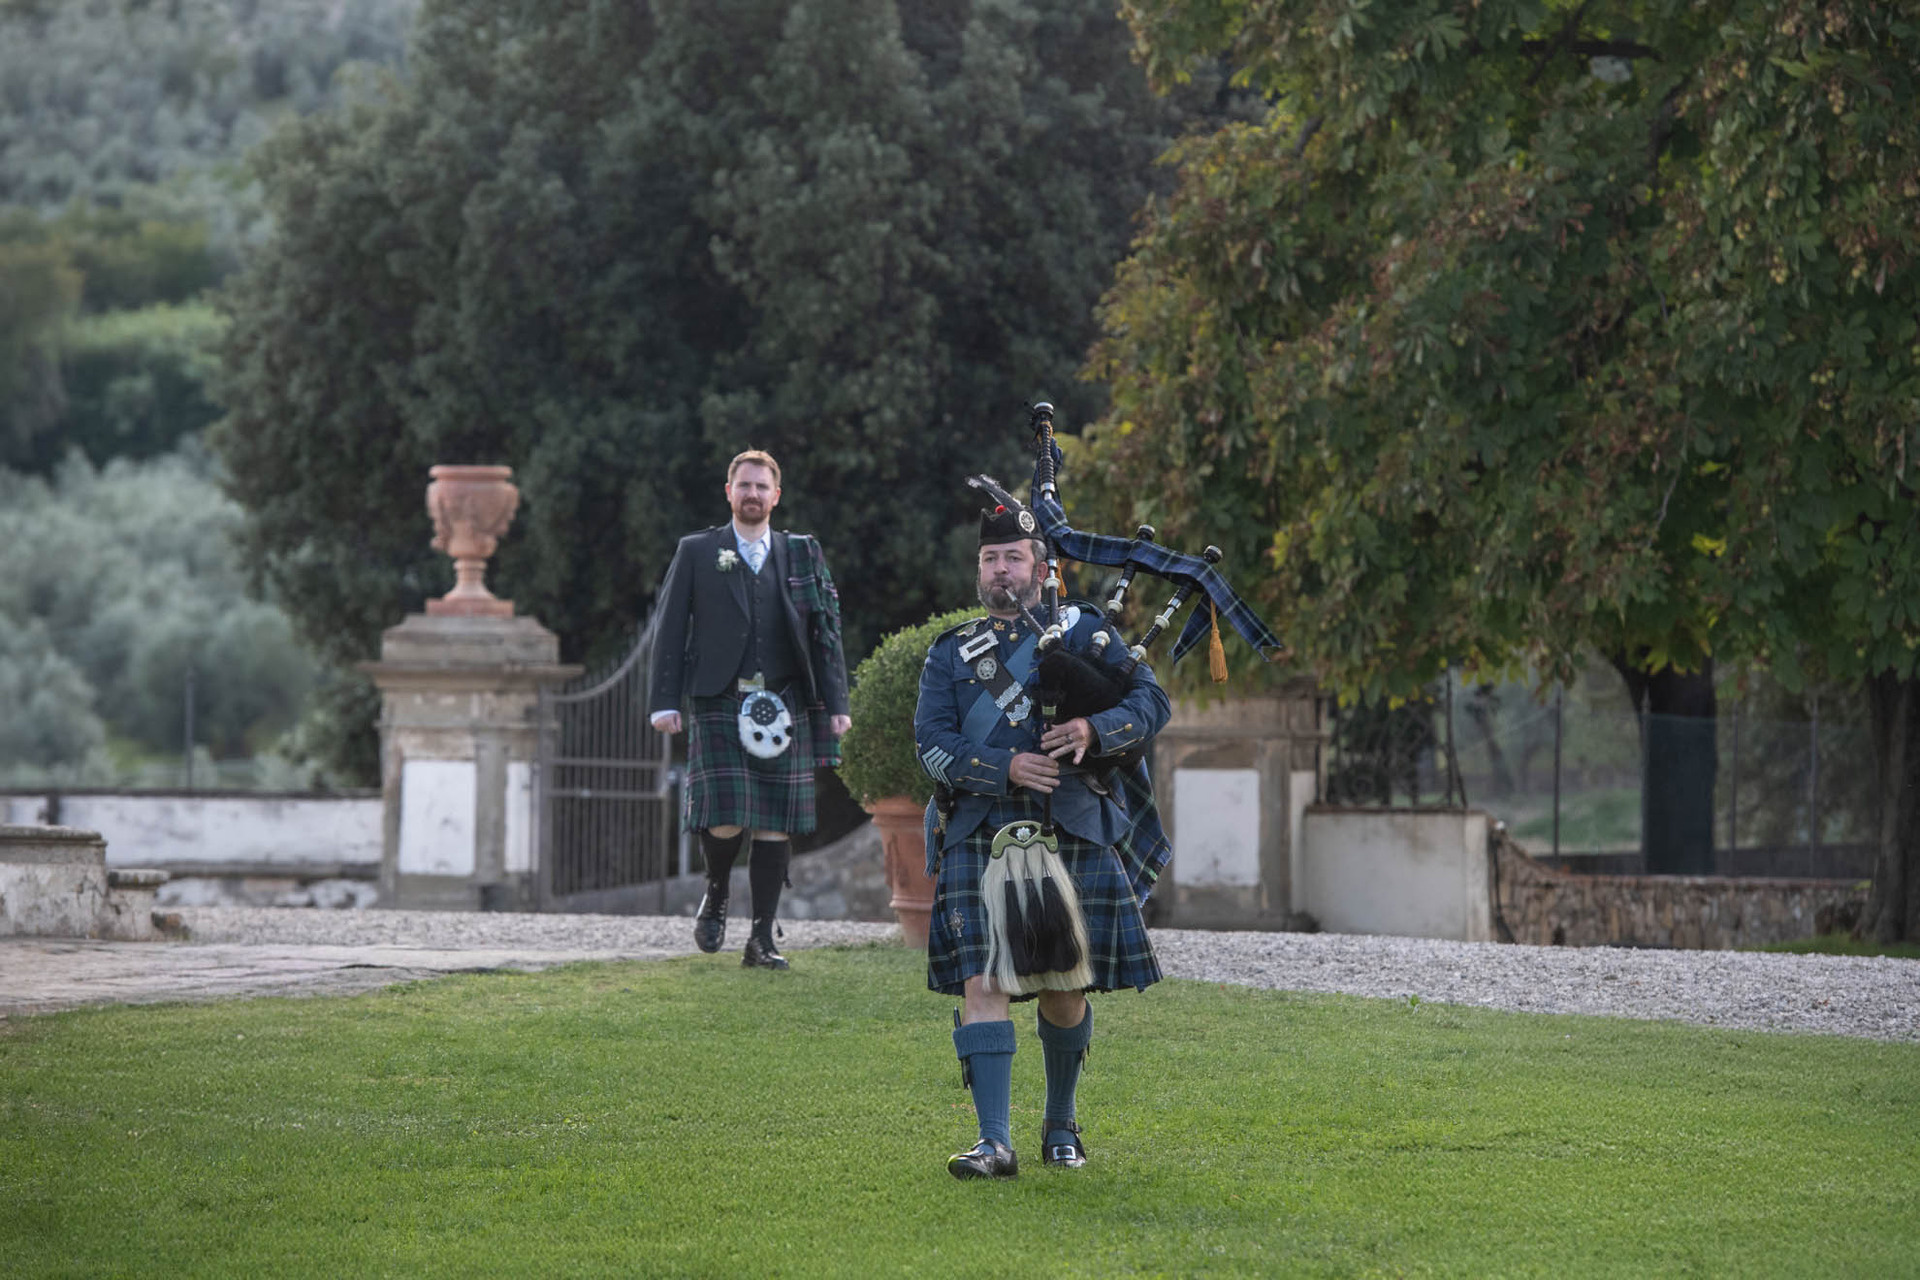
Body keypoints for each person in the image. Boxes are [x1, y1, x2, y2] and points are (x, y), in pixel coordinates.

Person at [914, 498, 1171, 1179]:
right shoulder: (950, 653)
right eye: (990, 559)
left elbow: (1151, 704)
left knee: (1064, 983)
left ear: (1039, 567)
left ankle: (1062, 1123)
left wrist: (1093, 731)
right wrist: (1001, 767)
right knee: (984, 976)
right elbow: (930, 740)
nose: (1001, 570)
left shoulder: (1088, 633)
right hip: (981, 827)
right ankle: (993, 1142)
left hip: (1071, 825)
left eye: (1014, 558)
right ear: (979, 569)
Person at [648, 449, 852, 970]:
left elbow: (825, 632)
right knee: (722, 815)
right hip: (719, 697)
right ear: (729, 491)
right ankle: (716, 891)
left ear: (776, 496)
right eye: (745, 486)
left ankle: (761, 939)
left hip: (785, 699)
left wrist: (835, 703)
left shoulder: (801, 553)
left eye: (762, 487)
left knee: (774, 823)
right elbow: (670, 628)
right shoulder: (697, 551)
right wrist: (663, 702)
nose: (753, 494)